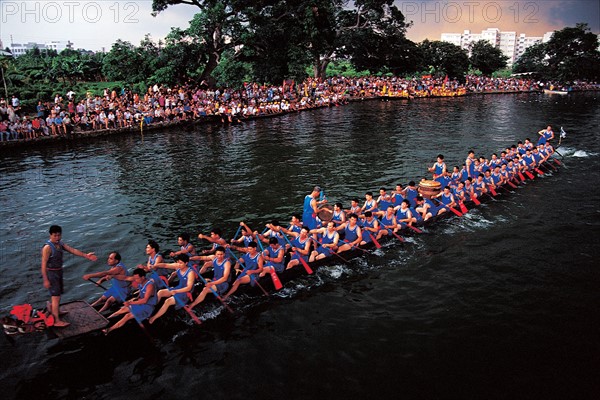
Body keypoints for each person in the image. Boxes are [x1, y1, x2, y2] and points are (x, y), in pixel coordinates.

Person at [41, 225, 98, 327]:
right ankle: (57, 321)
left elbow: (72, 250)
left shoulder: (60, 244)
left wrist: (86, 255)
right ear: (50, 235)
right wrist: (46, 280)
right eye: (55, 236)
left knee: (58, 294)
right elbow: (43, 265)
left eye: (59, 235)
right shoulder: (47, 247)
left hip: (59, 271)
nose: (57, 237)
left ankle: (57, 311)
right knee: (55, 297)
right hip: (52, 273)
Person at [103, 268, 157, 334]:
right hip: (140, 303)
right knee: (122, 310)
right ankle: (105, 320)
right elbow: (125, 278)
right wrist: (112, 276)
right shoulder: (140, 282)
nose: (135, 280)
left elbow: (145, 300)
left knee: (127, 316)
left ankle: (108, 330)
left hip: (148, 307)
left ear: (143, 277)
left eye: (137, 278)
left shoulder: (149, 285)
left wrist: (130, 302)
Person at [148, 254, 196, 324]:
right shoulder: (177, 266)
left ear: (186, 263)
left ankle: (153, 318)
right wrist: (155, 266)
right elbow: (165, 265)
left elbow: (189, 288)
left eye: (181, 263)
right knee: (160, 292)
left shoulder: (190, 273)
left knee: (168, 301)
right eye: (178, 262)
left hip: (186, 293)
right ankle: (151, 310)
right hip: (179, 288)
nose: (179, 265)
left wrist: (176, 291)